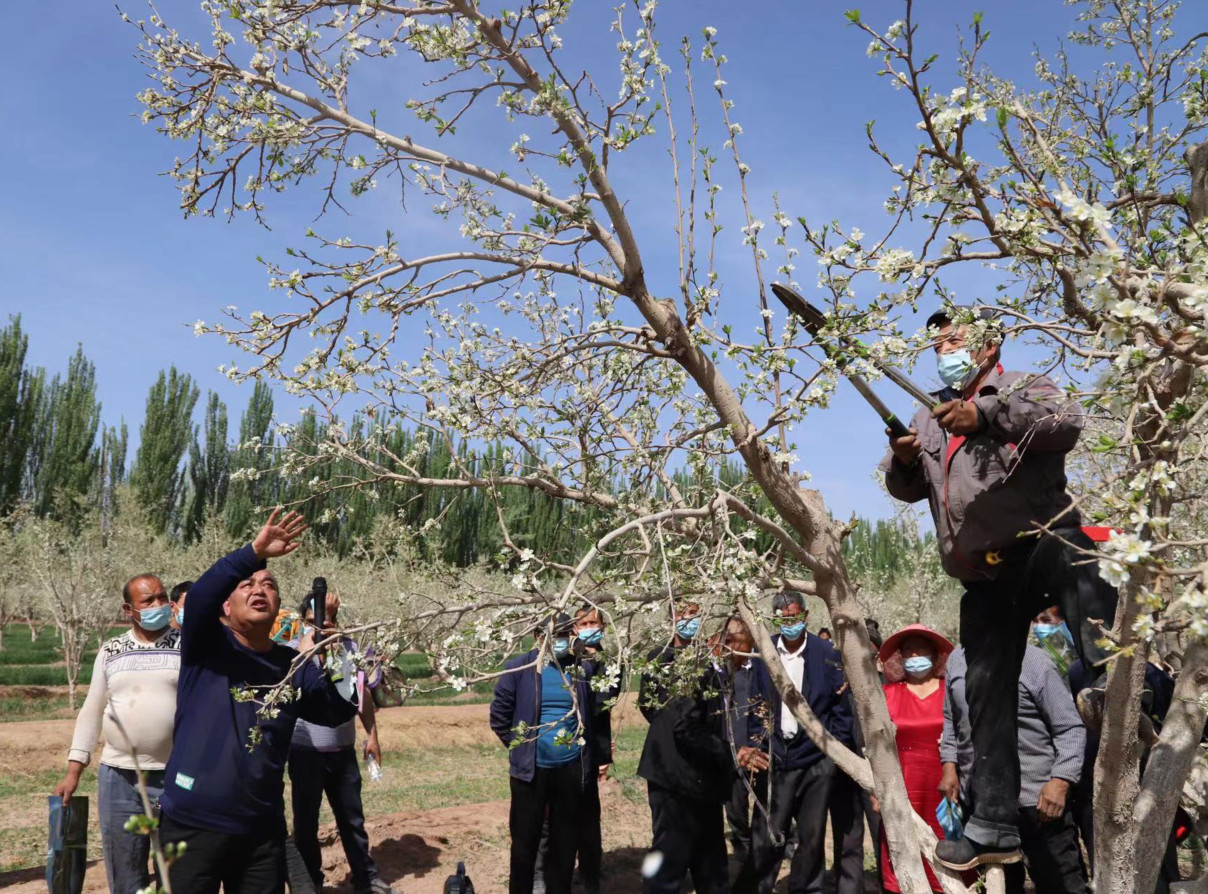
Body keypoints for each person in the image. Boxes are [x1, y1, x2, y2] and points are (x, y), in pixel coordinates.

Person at [880, 305, 1119, 869]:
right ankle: (991, 822)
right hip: (983, 573)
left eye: (957, 338)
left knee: (1081, 546)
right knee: (986, 690)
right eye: (938, 342)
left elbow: (1067, 422)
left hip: (1037, 543)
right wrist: (905, 462)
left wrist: (985, 415)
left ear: (990, 345)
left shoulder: (1020, 386)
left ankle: (1114, 683)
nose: (946, 347)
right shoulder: (925, 412)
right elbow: (909, 489)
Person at [158, 511, 360, 894]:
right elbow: (200, 596)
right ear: (226, 607)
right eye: (246, 584)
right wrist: (253, 553)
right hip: (191, 822)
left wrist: (331, 654)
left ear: (279, 604)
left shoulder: (291, 667)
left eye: (268, 585)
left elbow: (338, 710)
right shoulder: (207, 648)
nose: (258, 589)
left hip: (259, 833)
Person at [54, 573, 181, 894]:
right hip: (120, 781)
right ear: (129, 609)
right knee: (126, 874)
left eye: (162, 597)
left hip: (177, 779)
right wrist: (74, 770)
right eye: (148, 601)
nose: (158, 605)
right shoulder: (112, 650)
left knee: (180, 873)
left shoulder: (187, 646)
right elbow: (91, 711)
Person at [942, 643, 1089, 894]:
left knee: (1061, 883)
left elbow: (1069, 727)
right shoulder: (957, 659)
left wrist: (1061, 781)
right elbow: (950, 720)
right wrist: (949, 765)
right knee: (1000, 886)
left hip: (1039, 801)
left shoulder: (1034, 662)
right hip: (981, 805)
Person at [741, 591, 854, 894]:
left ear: (805, 617)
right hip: (775, 760)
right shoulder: (765, 654)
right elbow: (755, 706)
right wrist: (756, 745)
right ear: (775, 619)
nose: (789, 623)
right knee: (766, 835)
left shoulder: (826, 653)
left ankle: (808, 889)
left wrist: (832, 756)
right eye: (783, 618)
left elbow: (840, 710)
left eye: (794, 617)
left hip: (816, 762)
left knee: (812, 836)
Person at [490, 612, 604, 894]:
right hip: (531, 771)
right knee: (524, 842)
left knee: (564, 843)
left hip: (569, 770)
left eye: (566, 635)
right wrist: (524, 746)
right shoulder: (519, 669)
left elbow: (599, 704)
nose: (562, 641)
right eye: (556, 635)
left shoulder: (580, 670)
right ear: (538, 637)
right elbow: (500, 717)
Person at [288, 590, 393, 894]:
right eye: (314, 621)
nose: (322, 626)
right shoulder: (294, 649)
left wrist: (372, 736)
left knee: (352, 820)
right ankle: (311, 883)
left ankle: (366, 877)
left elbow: (362, 696)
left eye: (328, 619)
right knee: (306, 824)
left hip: (343, 752)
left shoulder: (348, 648)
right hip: (306, 752)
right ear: (303, 622)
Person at [636, 601, 731, 894]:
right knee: (670, 856)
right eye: (683, 613)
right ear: (671, 619)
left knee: (709, 858)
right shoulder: (660, 660)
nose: (689, 619)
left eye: (695, 613)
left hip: (702, 777)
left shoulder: (708, 660)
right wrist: (726, 753)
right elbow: (657, 710)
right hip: (673, 777)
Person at [876, 625, 954, 894]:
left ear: (934, 655)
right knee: (904, 847)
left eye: (920, 648)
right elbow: (877, 746)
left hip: (948, 785)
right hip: (902, 787)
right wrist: (878, 790)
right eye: (908, 649)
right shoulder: (888, 694)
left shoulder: (952, 692)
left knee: (948, 849)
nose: (914, 654)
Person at [717, 616, 768, 877]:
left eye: (735, 641)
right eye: (727, 642)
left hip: (760, 749)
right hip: (734, 750)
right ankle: (741, 841)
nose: (730, 647)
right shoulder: (722, 674)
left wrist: (757, 746)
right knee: (735, 803)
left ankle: (775, 840)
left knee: (766, 800)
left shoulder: (763, 668)